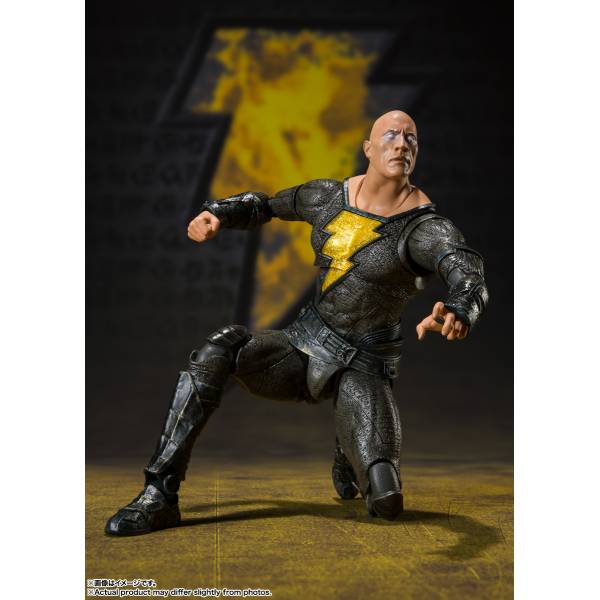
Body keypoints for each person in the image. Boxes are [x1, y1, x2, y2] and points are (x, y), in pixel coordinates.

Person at [105, 110, 489, 535]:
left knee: (386, 501)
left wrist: (460, 308)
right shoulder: (327, 196)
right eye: (391, 135)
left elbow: (466, 271)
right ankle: (159, 494)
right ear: (368, 148)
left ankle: (349, 452)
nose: (401, 145)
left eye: (411, 138)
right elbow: (267, 205)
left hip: (361, 365)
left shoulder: (425, 228)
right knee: (219, 349)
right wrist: (218, 213)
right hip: (303, 346)